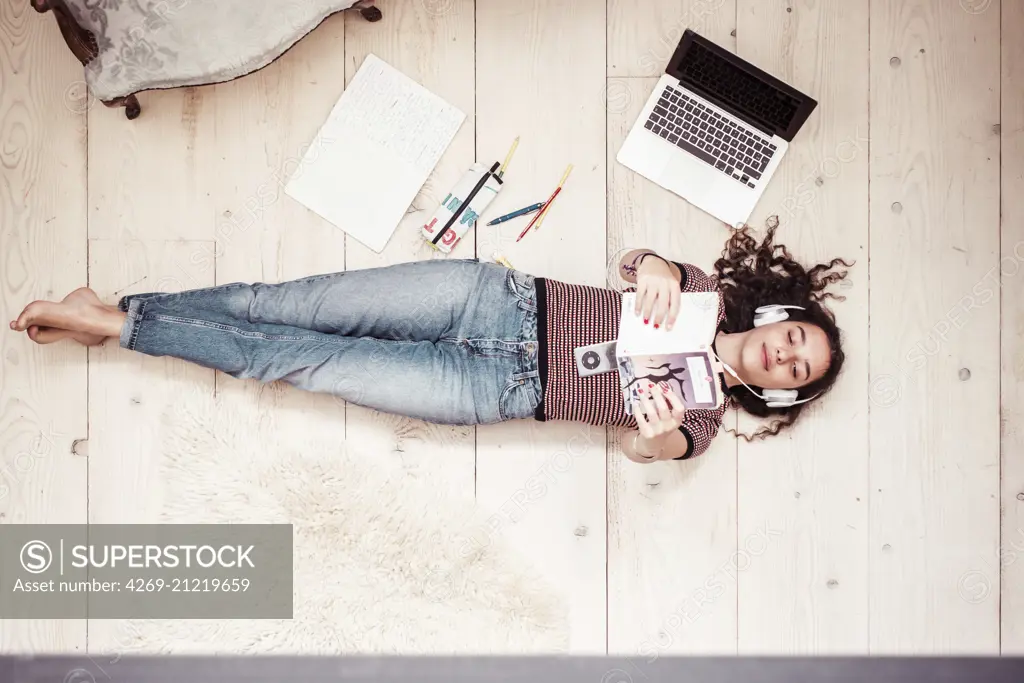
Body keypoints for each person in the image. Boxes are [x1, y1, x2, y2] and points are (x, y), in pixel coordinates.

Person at [9, 221, 852, 464]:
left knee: (294, 358)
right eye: (799, 339)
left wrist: (655, 429)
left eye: (800, 371)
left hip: (491, 392)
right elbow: (633, 261)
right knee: (286, 301)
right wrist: (656, 263)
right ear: (780, 317)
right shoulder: (702, 290)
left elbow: (649, 452)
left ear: (781, 393)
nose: (789, 356)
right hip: (495, 299)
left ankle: (118, 322)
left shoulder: (701, 426)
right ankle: (115, 314)